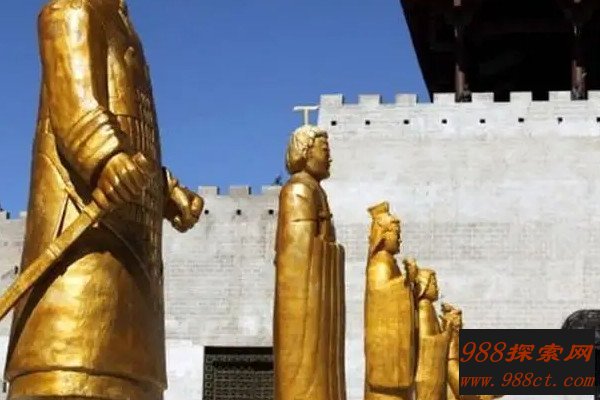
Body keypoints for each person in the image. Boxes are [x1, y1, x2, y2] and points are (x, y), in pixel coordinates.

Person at [4, 1, 203, 399]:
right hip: (84, 233)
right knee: (76, 370)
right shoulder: (72, 9)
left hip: (132, 240)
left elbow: (133, 135)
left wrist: (164, 189)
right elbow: (76, 106)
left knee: (125, 378)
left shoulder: (124, 26)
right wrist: (106, 158)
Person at [273, 124, 346, 400]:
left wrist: (333, 250)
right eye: (324, 149)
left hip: (318, 298)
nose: (330, 157)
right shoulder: (297, 191)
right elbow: (297, 253)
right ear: (305, 151)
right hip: (304, 301)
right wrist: (332, 250)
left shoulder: (316, 191)